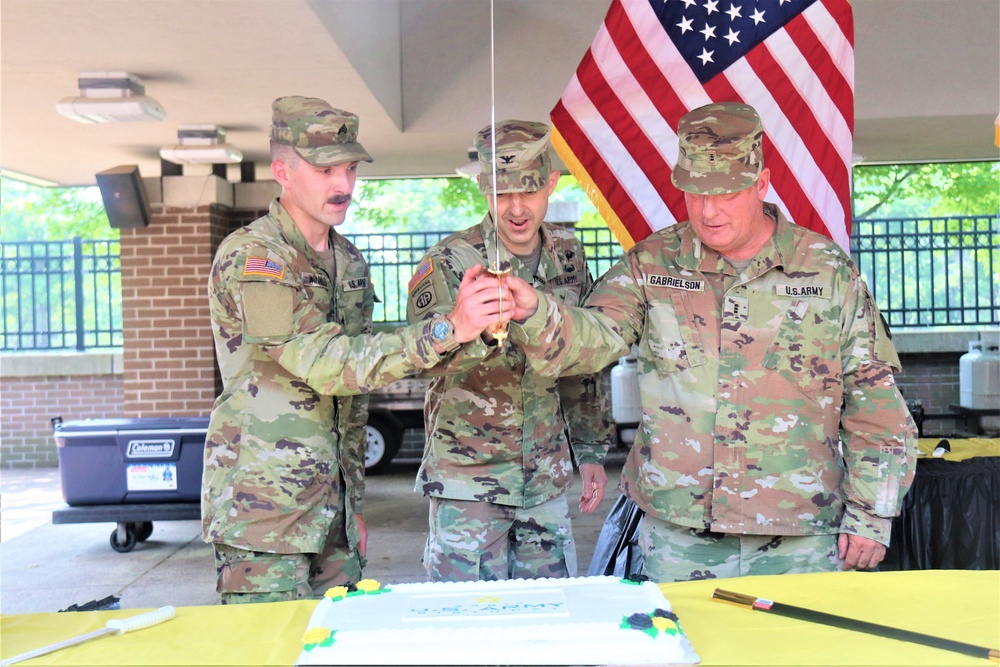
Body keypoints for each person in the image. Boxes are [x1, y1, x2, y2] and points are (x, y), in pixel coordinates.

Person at [503, 102, 918, 582]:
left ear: (761, 184)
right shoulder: (653, 264)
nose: (709, 210)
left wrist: (872, 513)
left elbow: (876, 404)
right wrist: (536, 311)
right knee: (688, 655)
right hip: (680, 536)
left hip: (801, 536)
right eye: (695, 194)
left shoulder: (827, 271)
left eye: (726, 193)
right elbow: (593, 339)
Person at [203, 96, 512, 604]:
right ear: (282, 171)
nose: (343, 185)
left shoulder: (347, 258)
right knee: (272, 652)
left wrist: (351, 509)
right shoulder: (255, 257)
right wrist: (446, 329)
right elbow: (326, 365)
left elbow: (357, 386)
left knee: (333, 648)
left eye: (349, 168)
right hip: (264, 511)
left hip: (333, 512)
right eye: (325, 169)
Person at [405, 119, 615, 582]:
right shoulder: (451, 261)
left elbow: (579, 362)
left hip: (545, 479)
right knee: (466, 632)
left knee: (549, 623)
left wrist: (591, 450)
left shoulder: (568, 253)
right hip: (469, 482)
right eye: (502, 194)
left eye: (530, 190)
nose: (517, 208)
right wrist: (471, 329)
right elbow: (420, 361)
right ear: (483, 188)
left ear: (552, 184)